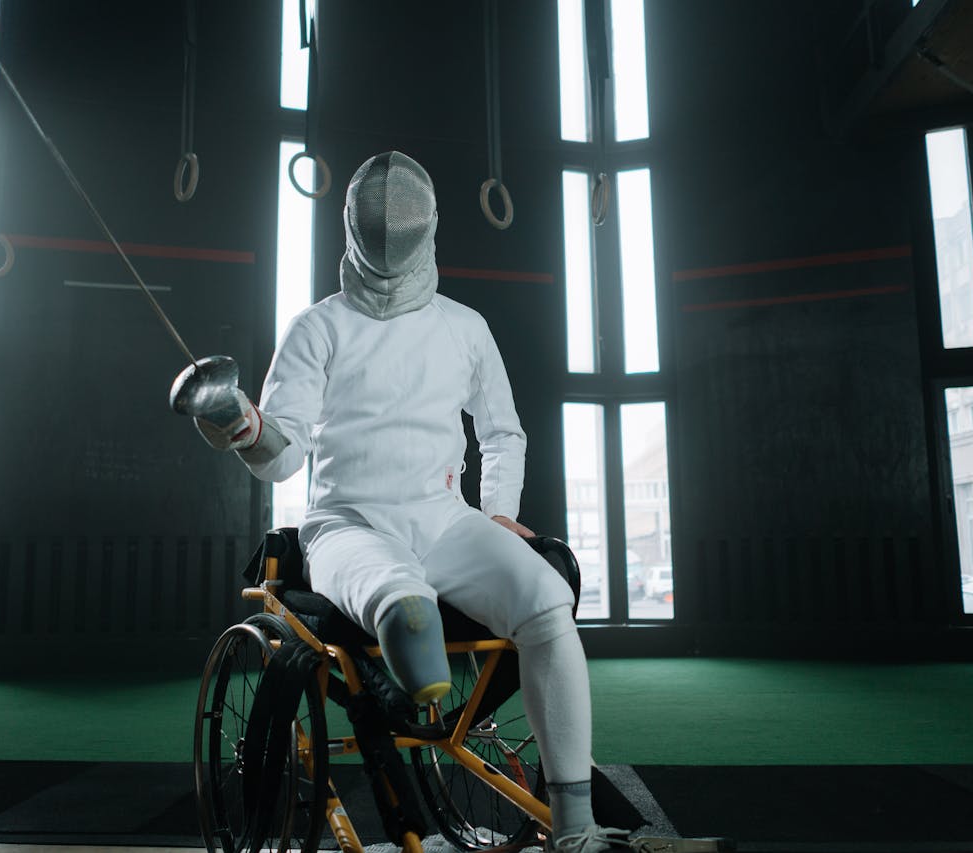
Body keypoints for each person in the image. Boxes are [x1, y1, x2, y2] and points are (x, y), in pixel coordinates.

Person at [174, 151, 725, 853]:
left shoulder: (464, 326)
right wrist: (245, 426)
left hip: (445, 521)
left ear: (426, 230)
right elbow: (283, 456)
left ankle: (576, 832)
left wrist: (497, 512)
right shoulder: (319, 326)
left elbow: (502, 431)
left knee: (548, 600)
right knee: (400, 595)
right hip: (348, 522)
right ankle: (411, 649)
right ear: (355, 230)